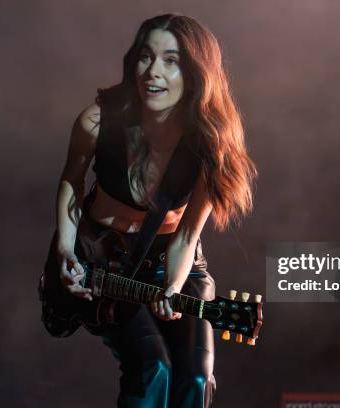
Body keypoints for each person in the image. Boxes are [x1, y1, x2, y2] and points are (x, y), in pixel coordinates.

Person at [51, 13, 256, 407]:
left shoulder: (211, 144)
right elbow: (71, 184)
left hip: (173, 260)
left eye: (171, 60)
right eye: (146, 57)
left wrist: (174, 287)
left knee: (196, 378)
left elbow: (187, 234)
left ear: (197, 73)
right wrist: (65, 245)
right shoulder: (97, 121)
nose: (153, 72)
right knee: (153, 370)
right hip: (105, 259)